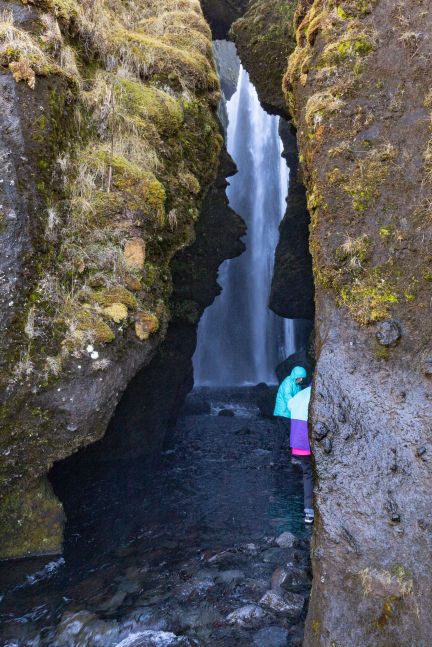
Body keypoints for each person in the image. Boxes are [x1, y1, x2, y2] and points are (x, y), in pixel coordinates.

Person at [271, 366, 307, 466]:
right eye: (300, 378)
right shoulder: (288, 382)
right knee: (293, 435)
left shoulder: (297, 384)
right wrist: (295, 408)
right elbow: (288, 397)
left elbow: (299, 397)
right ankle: (294, 458)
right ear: (295, 376)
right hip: (284, 413)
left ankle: (273, 460)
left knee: (281, 437)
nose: (301, 380)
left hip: (285, 413)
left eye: (302, 378)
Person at [287, 385, 314, 524]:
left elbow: (289, 404)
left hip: (297, 441)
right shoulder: (317, 392)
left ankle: (308, 512)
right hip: (310, 440)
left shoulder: (300, 394)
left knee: (307, 474)